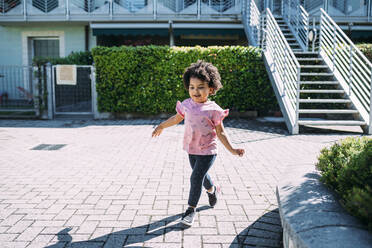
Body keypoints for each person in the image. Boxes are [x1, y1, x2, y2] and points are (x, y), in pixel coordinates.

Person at [152, 60, 245, 226]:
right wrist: (162, 126)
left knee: (195, 177)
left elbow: (221, 132)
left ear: (211, 89)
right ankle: (213, 190)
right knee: (202, 177)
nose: (195, 91)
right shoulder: (186, 105)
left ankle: (190, 210)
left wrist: (232, 150)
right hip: (192, 149)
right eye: (192, 87)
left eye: (200, 87)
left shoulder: (214, 110)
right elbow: (176, 118)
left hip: (208, 151)